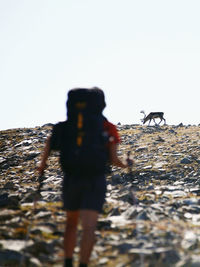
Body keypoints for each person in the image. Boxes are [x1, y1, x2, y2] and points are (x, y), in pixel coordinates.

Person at [37, 88, 132, 267]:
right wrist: (127, 165)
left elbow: (49, 143)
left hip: (71, 178)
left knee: (71, 223)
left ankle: (67, 262)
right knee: (89, 227)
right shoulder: (107, 127)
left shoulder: (64, 126)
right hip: (95, 179)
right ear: (101, 105)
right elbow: (113, 159)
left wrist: (42, 166)